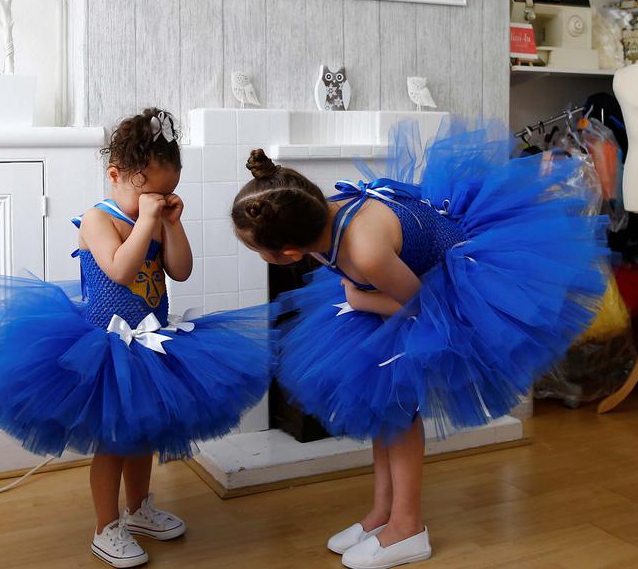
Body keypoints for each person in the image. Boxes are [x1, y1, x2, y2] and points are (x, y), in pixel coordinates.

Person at [231, 120, 606, 569]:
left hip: (448, 292)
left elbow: (423, 306)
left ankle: (408, 527)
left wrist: (356, 296)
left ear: (287, 253)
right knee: (382, 405)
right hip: (395, 287)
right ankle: (381, 514)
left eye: (260, 252)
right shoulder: (317, 213)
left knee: (399, 410)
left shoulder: (365, 250)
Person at [0, 110, 271, 568]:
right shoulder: (97, 219)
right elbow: (121, 270)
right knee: (111, 443)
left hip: (152, 344)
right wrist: (148, 221)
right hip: (104, 349)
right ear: (115, 176)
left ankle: (140, 508)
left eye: (168, 193)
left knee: (142, 434)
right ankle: (106, 527)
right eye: (151, 193)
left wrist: (173, 223)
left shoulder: (155, 217)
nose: (159, 201)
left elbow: (181, 270)